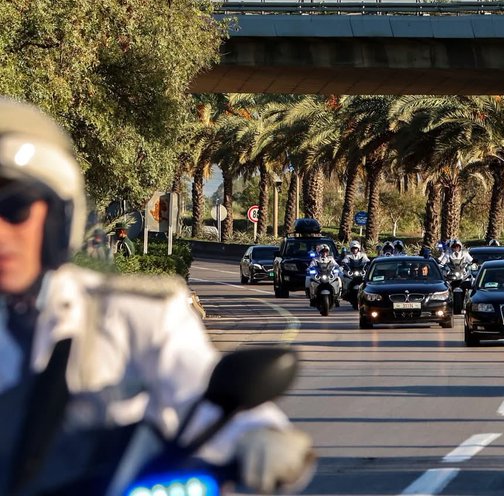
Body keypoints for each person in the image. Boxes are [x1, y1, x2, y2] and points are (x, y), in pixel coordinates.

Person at [0, 98, 313, 494]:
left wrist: (261, 438)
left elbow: (196, 388)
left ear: (60, 215)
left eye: (14, 208)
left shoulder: (132, 315)